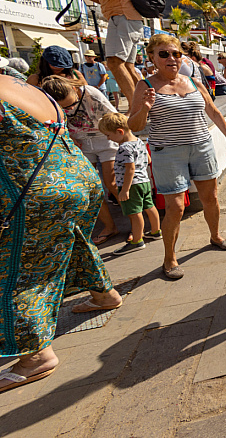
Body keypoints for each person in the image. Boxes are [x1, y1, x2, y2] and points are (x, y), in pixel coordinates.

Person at [0, 68, 122, 394]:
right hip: (75, 178)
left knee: (16, 269)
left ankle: (35, 358)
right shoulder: (24, 86)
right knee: (72, 240)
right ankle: (104, 295)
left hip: (34, 192)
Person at [128, 35, 226, 280]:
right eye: (164, 54)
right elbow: (133, 125)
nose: (171, 59)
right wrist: (145, 108)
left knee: (211, 197)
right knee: (176, 207)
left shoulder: (193, 81)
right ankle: (170, 258)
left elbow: (213, 111)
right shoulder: (145, 86)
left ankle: (215, 236)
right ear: (152, 58)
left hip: (201, 146)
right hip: (168, 152)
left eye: (176, 54)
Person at [62, 0, 142, 105]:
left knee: (114, 63)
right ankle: (144, 105)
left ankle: (136, 108)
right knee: (127, 66)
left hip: (122, 16)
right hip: (128, 17)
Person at [41, 75, 121, 245]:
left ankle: (138, 224)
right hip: (80, 142)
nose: (70, 108)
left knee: (112, 183)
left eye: (72, 103)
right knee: (90, 188)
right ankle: (109, 226)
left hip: (105, 138)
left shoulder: (91, 93)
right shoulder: (46, 102)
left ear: (74, 88)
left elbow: (114, 117)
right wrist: (68, 136)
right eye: (65, 107)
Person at [98, 112, 162, 255]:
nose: (109, 139)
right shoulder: (139, 142)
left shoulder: (124, 148)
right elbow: (149, 161)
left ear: (119, 132)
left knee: (134, 213)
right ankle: (156, 231)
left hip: (131, 185)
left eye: (108, 135)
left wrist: (124, 190)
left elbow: (130, 169)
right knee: (149, 206)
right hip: (144, 181)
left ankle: (137, 240)